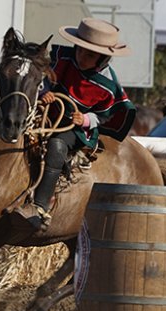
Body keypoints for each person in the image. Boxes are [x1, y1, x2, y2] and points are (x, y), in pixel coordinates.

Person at [14, 18, 137, 230]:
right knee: (11, 119)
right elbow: (39, 78)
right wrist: (44, 92)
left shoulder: (108, 85)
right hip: (44, 113)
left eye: (89, 54)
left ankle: (40, 206)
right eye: (79, 50)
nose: (81, 56)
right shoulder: (62, 57)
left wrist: (86, 119)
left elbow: (106, 115)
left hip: (74, 128)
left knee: (57, 146)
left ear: (103, 58)